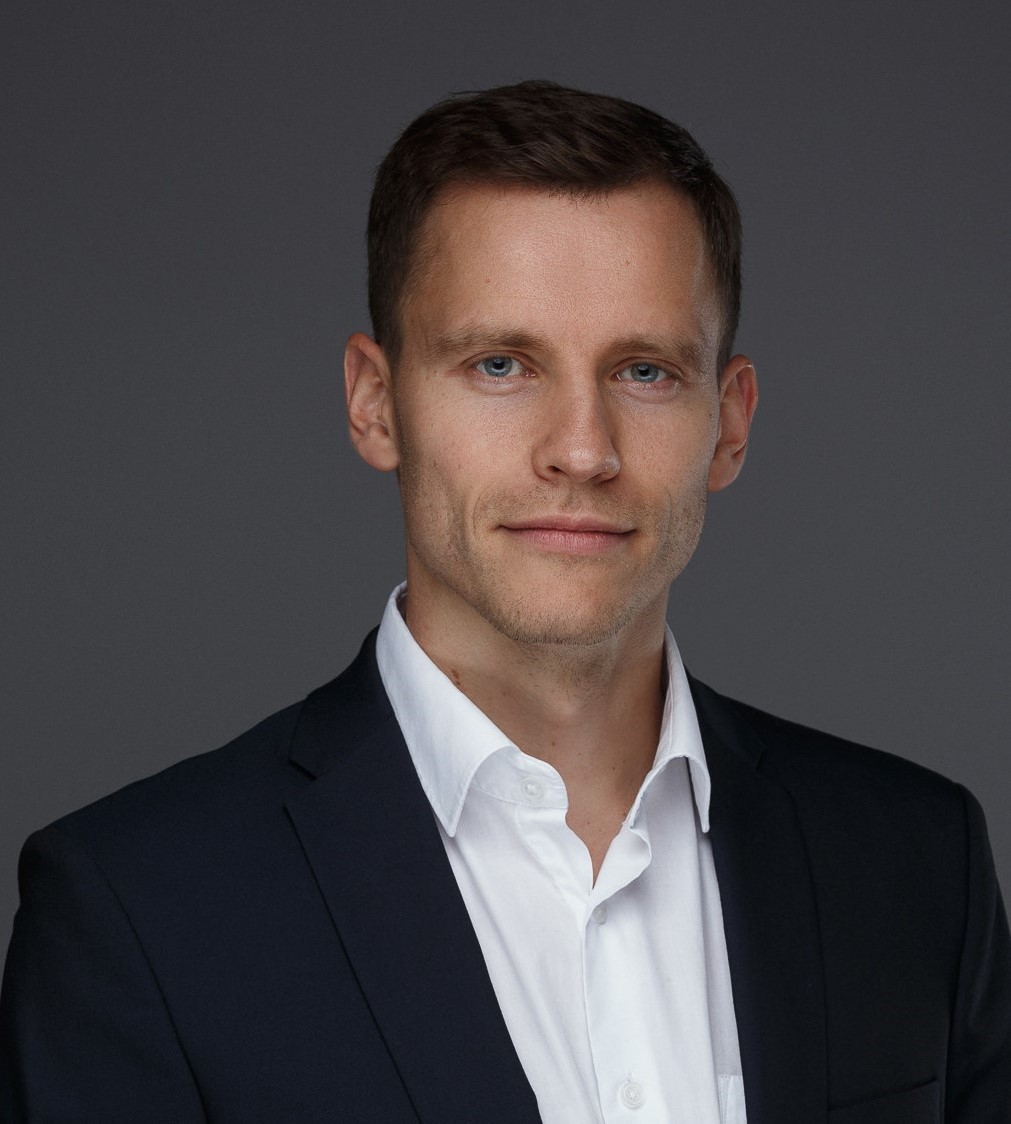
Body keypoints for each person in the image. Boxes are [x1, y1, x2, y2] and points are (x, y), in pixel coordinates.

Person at [1, 80, 1008, 1123]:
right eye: (500, 364)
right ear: (375, 403)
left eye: (645, 371)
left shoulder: (916, 862)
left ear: (731, 421)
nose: (581, 448)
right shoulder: (140, 910)